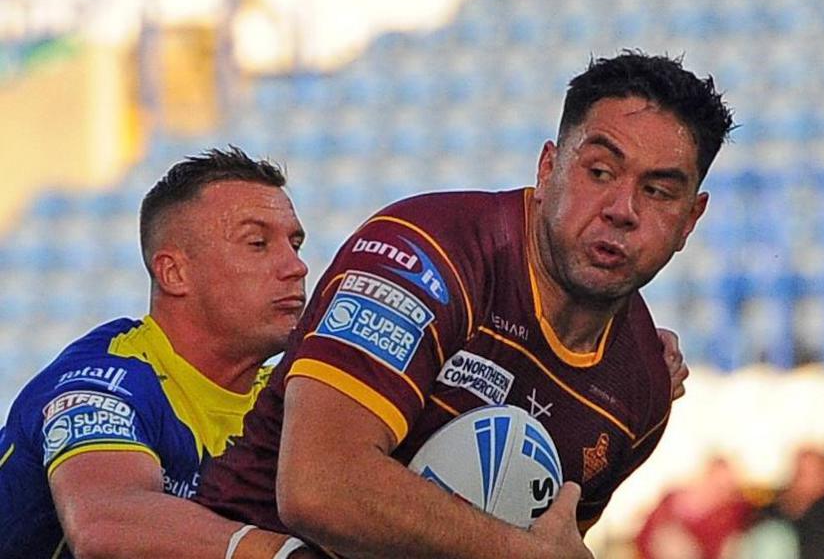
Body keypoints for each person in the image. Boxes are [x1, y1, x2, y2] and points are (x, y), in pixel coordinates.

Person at [196, 50, 735, 558]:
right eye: (599, 172)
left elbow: (544, 536)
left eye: (658, 192)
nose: (622, 209)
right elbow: (321, 486)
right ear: (548, 170)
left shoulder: (639, 387)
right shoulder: (425, 254)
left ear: (691, 219)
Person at [0, 148, 321, 558]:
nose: (296, 266)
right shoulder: (106, 380)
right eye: (258, 243)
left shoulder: (285, 397)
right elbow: (105, 525)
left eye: (294, 244)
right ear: (174, 273)